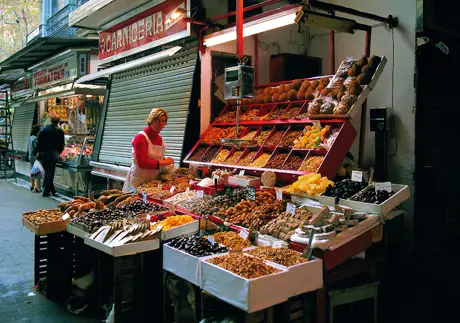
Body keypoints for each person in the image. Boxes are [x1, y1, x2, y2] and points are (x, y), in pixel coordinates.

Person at [122, 108, 174, 191]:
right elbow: (142, 162)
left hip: (153, 182)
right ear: (151, 120)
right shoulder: (141, 137)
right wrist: (164, 162)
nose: (161, 124)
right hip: (138, 181)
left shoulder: (161, 140)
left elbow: (156, 159)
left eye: (163, 121)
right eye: (157, 120)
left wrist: (167, 163)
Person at [36, 115, 65, 197]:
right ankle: (46, 191)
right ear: (58, 122)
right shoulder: (59, 131)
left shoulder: (43, 129)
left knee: (46, 172)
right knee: (50, 172)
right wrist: (58, 152)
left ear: (51, 121)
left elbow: (38, 141)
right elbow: (61, 144)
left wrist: (37, 151)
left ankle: (52, 190)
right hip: (53, 153)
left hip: (43, 153)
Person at [28, 125, 41, 192]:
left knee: (32, 171)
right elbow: (36, 148)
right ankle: (37, 187)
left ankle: (32, 185)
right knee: (37, 172)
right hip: (35, 156)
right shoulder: (35, 138)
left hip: (30, 156)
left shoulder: (30, 137)